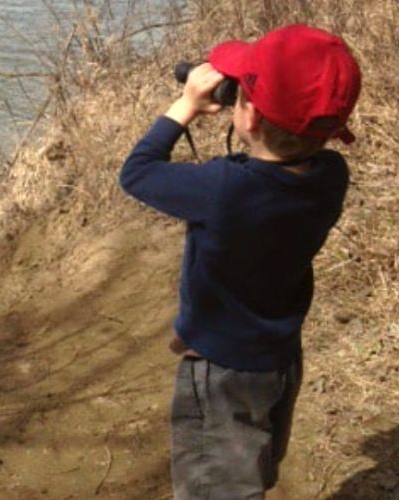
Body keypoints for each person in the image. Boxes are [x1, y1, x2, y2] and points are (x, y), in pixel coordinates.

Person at [118, 24, 361, 499]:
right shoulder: (331, 175)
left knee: (216, 487)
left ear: (246, 116)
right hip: (278, 356)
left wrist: (184, 107)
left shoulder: (224, 189)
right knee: (249, 460)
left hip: (221, 371)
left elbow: (138, 172)